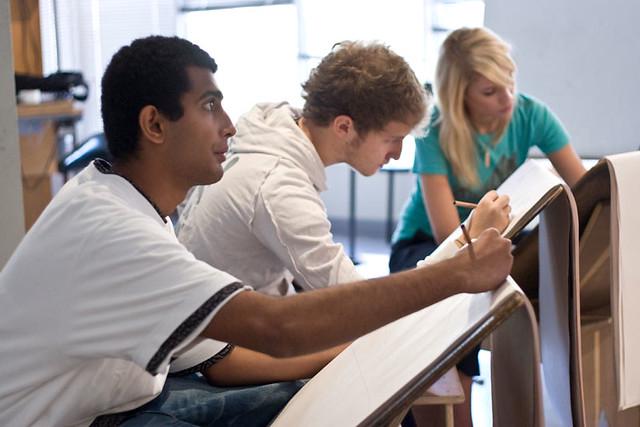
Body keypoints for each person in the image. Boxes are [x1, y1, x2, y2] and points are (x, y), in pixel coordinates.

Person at [0, 36, 513, 426]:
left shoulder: (123, 202)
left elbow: (216, 353)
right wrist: (459, 272)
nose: (228, 125)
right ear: (155, 125)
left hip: (144, 388)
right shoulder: (117, 227)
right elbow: (277, 327)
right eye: (208, 107)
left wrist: (346, 354)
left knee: (346, 394)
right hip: (95, 413)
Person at [177, 40, 510, 297]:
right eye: (392, 139)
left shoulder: (272, 136)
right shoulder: (277, 187)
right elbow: (362, 302)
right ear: (344, 127)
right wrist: (469, 237)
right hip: (218, 351)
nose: (396, 154)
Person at [390, 27, 587, 426]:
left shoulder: (531, 113)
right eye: (490, 92)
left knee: (552, 281)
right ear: (459, 93)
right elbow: (450, 241)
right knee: (456, 301)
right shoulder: (435, 129)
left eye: (510, 84)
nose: (507, 100)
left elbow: (586, 192)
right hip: (426, 245)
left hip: (496, 237)